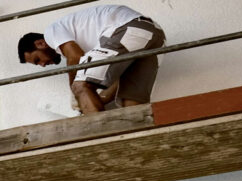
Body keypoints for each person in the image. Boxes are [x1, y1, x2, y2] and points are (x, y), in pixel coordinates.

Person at [17, 4, 165, 114]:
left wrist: (76, 92)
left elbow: (75, 57)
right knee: (131, 101)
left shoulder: (52, 32)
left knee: (80, 85)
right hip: (154, 35)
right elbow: (114, 86)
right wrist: (90, 101)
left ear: (40, 43)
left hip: (128, 28)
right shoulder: (98, 48)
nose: (42, 65)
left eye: (37, 60)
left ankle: (101, 142)